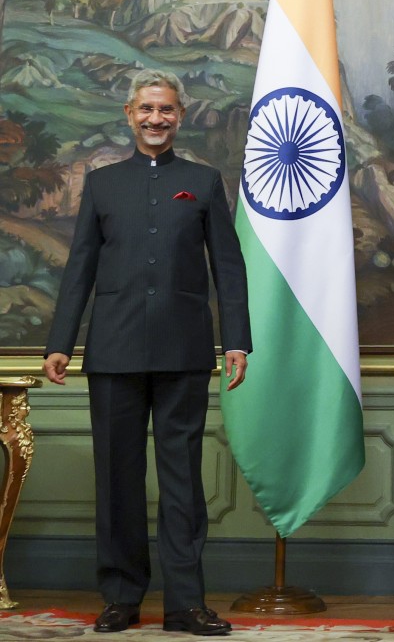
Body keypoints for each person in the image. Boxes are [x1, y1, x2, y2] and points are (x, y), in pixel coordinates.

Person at [42, 69, 252, 636]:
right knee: (118, 479)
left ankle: (186, 604)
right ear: (130, 114)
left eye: (166, 109)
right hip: (112, 351)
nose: (156, 118)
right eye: (146, 109)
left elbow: (228, 267)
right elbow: (80, 268)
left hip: (185, 350)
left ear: (179, 115)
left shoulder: (203, 182)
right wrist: (60, 343)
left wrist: (236, 339)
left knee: (182, 481)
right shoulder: (102, 184)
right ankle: (120, 597)